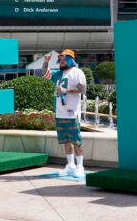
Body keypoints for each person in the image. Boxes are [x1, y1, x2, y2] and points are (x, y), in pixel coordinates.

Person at [43, 49, 87, 178]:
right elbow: (45, 73)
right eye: (60, 60)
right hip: (60, 113)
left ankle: (80, 166)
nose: (62, 62)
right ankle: (70, 165)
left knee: (76, 141)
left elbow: (82, 89)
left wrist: (66, 90)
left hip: (72, 112)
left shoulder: (77, 72)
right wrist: (46, 62)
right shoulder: (57, 74)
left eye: (64, 59)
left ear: (70, 60)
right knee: (66, 141)